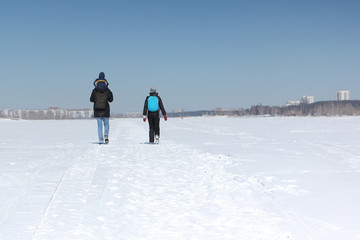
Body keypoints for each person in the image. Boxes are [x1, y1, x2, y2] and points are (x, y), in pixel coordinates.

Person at [90, 72, 113, 144]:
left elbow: (91, 99)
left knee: (99, 126)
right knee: (106, 124)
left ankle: (100, 139)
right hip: (105, 109)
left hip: (97, 110)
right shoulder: (107, 90)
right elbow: (111, 99)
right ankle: (106, 134)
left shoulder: (95, 90)